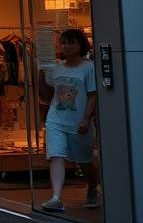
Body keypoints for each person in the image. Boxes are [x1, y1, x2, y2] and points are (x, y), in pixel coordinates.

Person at [37, 28, 99, 213]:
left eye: (71, 42)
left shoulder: (88, 67)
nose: (66, 46)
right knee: (57, 155)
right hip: (56, 119)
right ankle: (56, 197)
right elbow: (48, 95)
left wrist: (87, 119)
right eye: (63, 42)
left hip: (79, 122)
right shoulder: (55, 67)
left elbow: (92, 95)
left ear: (81, 45)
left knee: (84, 161)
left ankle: (93, 188)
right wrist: (41, 76)